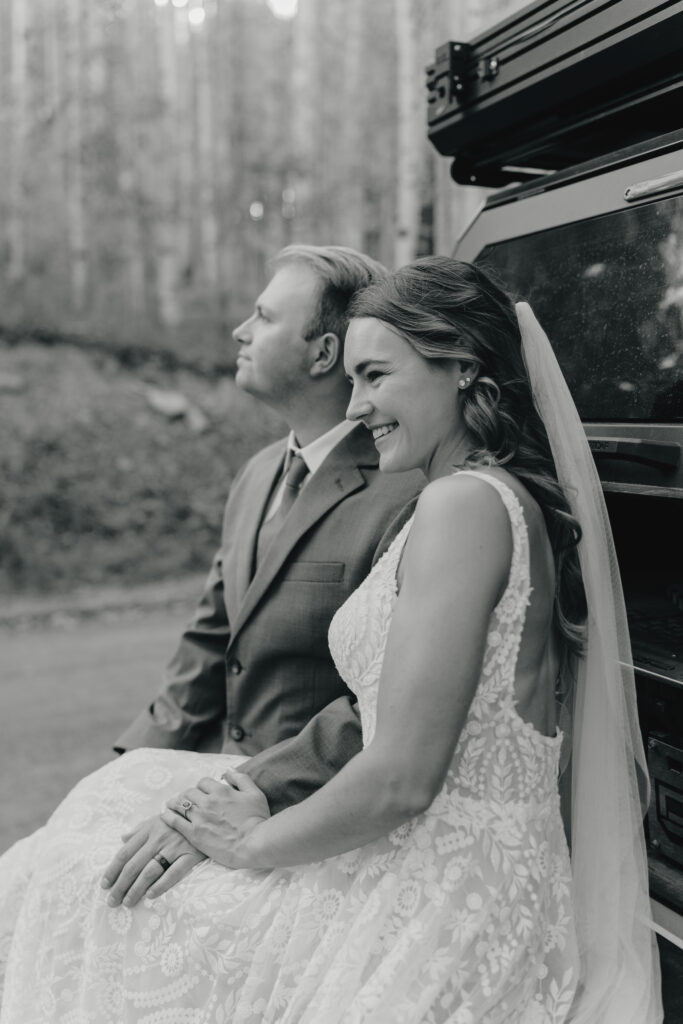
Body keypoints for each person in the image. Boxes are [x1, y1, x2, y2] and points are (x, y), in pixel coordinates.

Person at [0, 257, 661, 1023]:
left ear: (461, 368)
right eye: (351, 379)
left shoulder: (463, 508)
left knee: (87, 894)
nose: (356, 405)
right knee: (103, 814)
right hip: (445, 867)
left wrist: (251, 842)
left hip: (441, 904)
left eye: (376, 376)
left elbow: (402, 777)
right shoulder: (475, 498)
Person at [109, 244, 421, 900]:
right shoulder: (255, 475)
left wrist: (235, 796)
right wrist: (127, 766)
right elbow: (209, 639)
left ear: (321, 354)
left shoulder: (408, 490)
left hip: (307, 813)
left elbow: (384, 701)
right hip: (215, 785)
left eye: (262, 316)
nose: (239, 331)